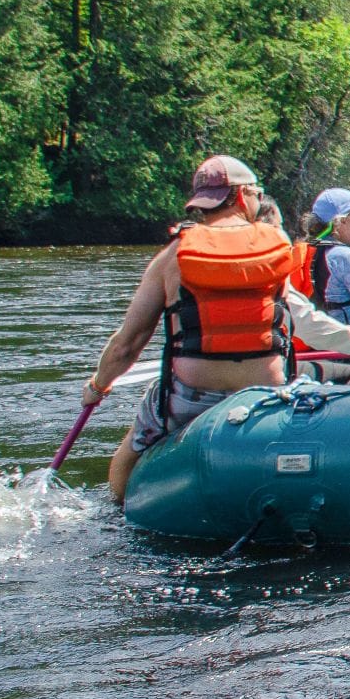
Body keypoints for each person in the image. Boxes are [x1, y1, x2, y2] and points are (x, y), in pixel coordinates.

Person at [81, 156, 295, 503]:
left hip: (190, 400)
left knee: (125, 461)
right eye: (257, 193)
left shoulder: (173, 256)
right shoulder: (277, 246)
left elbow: (127, 344)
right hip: (265, 395)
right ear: (242, 196)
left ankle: (119, 509)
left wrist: (98, 386)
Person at [257, 198, 350, 384]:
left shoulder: (306, 251)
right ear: (342, 221)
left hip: (305, 349)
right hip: (341, 352)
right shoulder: (345, 256)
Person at [294, 187, 350, 326]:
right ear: (343, 220)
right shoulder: (345, 256)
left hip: (317, 336)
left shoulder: (312, 250)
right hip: (348, 338)